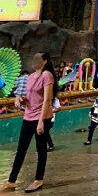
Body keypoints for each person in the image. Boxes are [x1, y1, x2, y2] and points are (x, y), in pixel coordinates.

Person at [3, 52, 56, 193]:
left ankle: (38, 180)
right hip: (28, 115)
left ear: (44, 61)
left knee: (41, 149)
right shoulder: (30, 77)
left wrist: (40, 122)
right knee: (21, 149)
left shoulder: (47, 76)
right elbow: (31, 97)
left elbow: (47, 100)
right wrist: (21, 99)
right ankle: (11, 181)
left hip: (42, 117)